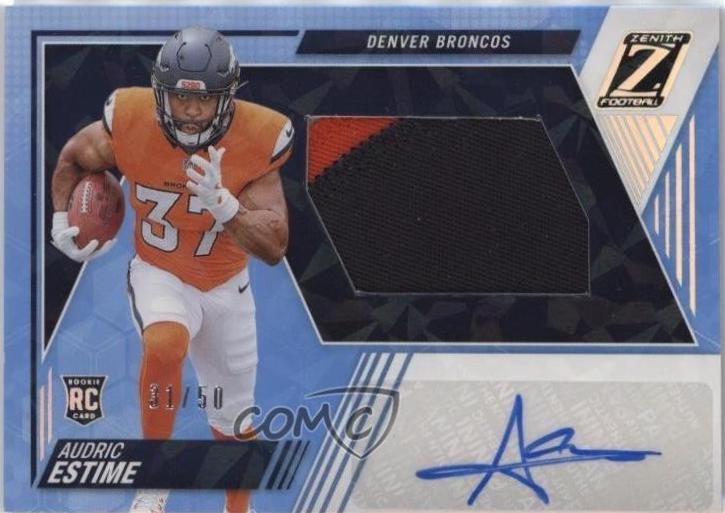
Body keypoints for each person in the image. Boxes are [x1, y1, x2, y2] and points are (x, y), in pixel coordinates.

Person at [50, 26, 294, 513]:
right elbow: (74, 158)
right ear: (160, 92)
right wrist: (61, 219)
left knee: (233, 419)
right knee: (164, 343)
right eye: (181, 97)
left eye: (204, 99)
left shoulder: (261, 135)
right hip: (159, 270)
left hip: (226, 283)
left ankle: (238, 509)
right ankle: (153, 481)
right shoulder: (130, 117)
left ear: (229, 97)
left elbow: (274, 245)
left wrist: (226, 207)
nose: (191, 111)